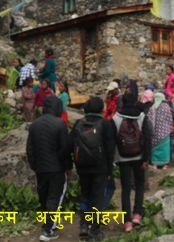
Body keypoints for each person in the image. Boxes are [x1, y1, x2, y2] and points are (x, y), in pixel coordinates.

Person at [67, 97, 115, 241]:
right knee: (98, 198)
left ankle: (83, 225)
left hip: (82, 167)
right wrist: (109, 170)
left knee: (85, 194)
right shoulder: (105, 124)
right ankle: (94, 231)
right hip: (100, 168)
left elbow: (69, 144)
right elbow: (110, 149)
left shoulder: (78, 123)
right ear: (101, 109)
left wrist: (70, 163)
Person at [26, 95, 71, 241]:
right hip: (57, 168)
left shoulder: (34, 124)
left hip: (40, 168)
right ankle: (47, 230)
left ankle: (47, 225)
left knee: (44, 197)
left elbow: (30, 149)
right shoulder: (60, 124)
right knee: (54, 197)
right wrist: (67, 166)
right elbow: (65, 148)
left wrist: (34, 165)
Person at [113, 93, 152, 232]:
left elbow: (112, 140)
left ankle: (127, 222)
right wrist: (146, 158)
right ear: (135, 102)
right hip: (139, 157)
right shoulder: (141, 117)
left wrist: (113, 159)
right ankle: (137, 215)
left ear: (122, 102)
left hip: (123, 158)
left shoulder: (116, 118)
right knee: (140, 185)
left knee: (125, 189)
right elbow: (147, 138)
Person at [147, 92, 174, 169]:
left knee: (155, 148)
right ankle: (165, 163)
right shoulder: (167, 107)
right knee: (165, 148)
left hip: (155, 132)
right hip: (166, 131)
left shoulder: (152, 108)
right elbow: (170, 119)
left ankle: (155, 163)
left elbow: (149, 120)